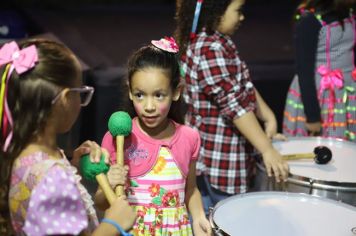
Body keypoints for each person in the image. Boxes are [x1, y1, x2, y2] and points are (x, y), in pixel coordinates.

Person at [0, 39, 136, 235]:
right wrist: (113, 223)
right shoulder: (53, 180)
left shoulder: (21, 153)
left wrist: (72, 166)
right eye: (80, 92)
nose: (81, 101)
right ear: (64, 99)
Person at [174, 0, 289, 212]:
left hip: (217, 156)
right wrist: (266, 148)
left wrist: (268, 116)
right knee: (226, 216)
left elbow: (243, 87)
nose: (242, 17)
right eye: (238, 11)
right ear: (215, 13)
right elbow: (235, 105)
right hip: (221, 158)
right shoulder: (209, 50)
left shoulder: (218, 42)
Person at [99, 37, 211, 235]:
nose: (149, 107)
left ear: (176, 92)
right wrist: (108, 182)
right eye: (140, 94)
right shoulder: (117, 139)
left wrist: (199, 217)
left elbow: (191, 190)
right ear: (131, 93)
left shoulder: (189, 137)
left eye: (159, 95)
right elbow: (101, 202)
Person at [283, 0, 356, 140]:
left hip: (348, 89)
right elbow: (304, 70)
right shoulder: (310, 20)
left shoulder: (349, 12)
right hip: (322, 94)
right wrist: (313, 116)